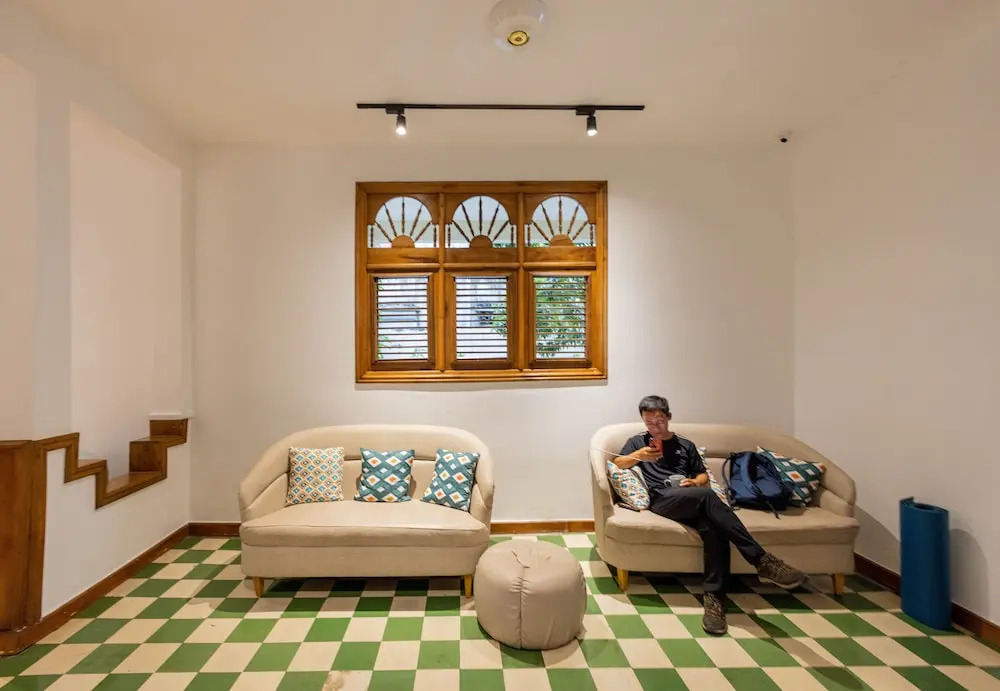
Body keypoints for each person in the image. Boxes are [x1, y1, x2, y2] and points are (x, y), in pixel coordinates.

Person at [615, 395, 807, 635]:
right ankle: (762, 561)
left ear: (669, 417)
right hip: (662, 499)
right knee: (707, 497)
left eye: (660, 421)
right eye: (649, 423)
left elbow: (702, 475)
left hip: (691, 497)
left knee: (714, 526)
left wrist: (694, 482)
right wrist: (639, 456)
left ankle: (714, 599)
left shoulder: (686, 445)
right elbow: (618, 463)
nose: (656, 428)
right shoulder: (637, 442)